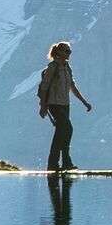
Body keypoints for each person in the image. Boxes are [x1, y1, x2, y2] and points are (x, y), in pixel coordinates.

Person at [37, 40, 90, 173]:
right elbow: (44, 87)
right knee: (66, 129)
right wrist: (43, 106)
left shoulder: (67, 67)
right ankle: (60, 162)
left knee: (63, 131)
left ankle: (58, 163)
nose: (69, 53)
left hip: (65, 104)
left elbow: (72, 87)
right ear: (59, 52)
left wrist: (84, 102)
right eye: (67, 51)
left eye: (69, 51)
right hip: (54, 104)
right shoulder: (52, 67)